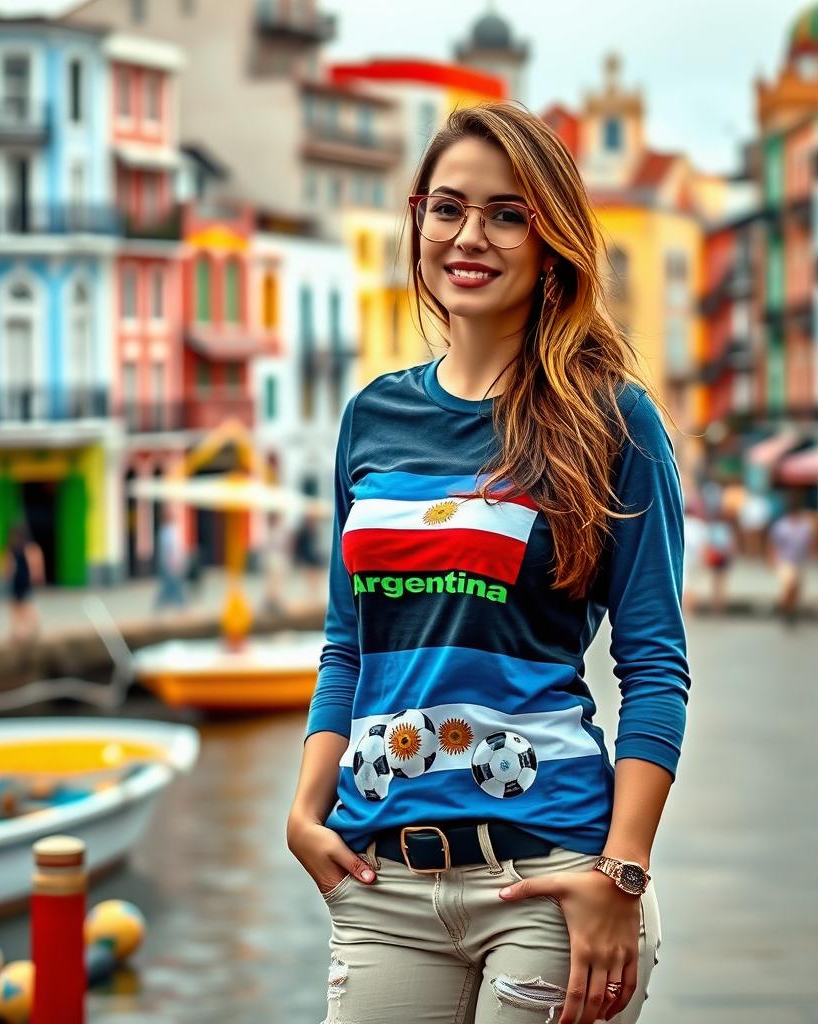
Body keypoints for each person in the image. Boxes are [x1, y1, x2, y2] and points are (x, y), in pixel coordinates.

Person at [286, 103, 690, 1024]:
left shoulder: (613, 422)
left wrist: (621, 873)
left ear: (552, 243)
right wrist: (306, 813)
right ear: (418, 220)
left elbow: (655, 666)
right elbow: (349, 645)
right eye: (448, 208)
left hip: (551, 875)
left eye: (508, 213)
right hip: (383, 883)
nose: (471, 236)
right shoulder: (371, 419)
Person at [768, 494, 816, 624]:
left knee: (797, 589)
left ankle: (790, 609)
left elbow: (810, 542)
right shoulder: (781, 526)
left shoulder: (806, 525)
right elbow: (774, 543)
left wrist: (813, 553)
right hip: (785, 560)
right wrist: (772, 559)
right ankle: (786, 612)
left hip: (799, 561)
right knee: (789, 585)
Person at [0, 524, 44, 641]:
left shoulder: (28, 548)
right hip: (18, 580)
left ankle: (26, 629)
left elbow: (35, 564)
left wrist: (36, 577)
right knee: (17, 606)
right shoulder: (13, 549)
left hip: (23, 580)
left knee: (24, 605)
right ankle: (19, 631)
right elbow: (7, 565)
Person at [154, 508, 187, 611]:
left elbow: (174, 548)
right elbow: (169, 549)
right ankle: (179, 605)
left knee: (172, 585)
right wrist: (174, 562)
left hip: (170, 562)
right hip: (170, 563)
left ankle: (178, 605)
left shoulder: (168, 531)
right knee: (172, 584)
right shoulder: (167, 532)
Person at [704, 511, 735, 614]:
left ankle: (715, 606)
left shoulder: (712, 528)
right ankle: (721, 606)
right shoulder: (727, 528)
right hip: (724, 556)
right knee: (722, 582)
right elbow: (731, 544)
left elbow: (708, 543)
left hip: (715, 556)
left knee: (715, 582)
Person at [682, 501, 708, 615]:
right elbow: (703, 546)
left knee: (685, 584)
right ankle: (689, 610)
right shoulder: (699, 525)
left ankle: (685, 610)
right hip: (694, 558)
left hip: (685, 557)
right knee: (692, 585)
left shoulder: (681, 522)